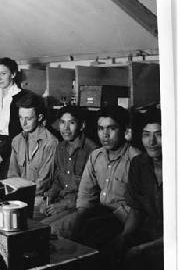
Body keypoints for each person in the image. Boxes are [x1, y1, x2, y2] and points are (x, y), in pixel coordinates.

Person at [51, 106, 142, 249]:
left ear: (124, 130)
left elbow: (138, 209)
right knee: (65, 232)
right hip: (98, 214)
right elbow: (85, 194)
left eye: (111, 129)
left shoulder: (135, 159)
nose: (105, 135)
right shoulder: (96, 156)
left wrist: (125, 236)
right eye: (101, 129)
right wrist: (79, 221)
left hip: (122, 219)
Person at [119, 108, 163, 270]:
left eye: (159, 134)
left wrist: (142, 249)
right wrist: (124, 237)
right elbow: (136, 209)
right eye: (146, 135)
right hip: (149, 232)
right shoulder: (139, 164)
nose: (151, 142)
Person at [40, 106, 97, 224]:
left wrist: (65, 205)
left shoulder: (92, 151)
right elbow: (57, 181)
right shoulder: (60, 147)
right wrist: (48, 198)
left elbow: (93, 192)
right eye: (62, 122)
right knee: (28, 218)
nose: (65, 128)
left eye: (71, 123)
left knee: (45, 228)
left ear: (82, 126)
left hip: (79, 207)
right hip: (59, 202)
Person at [0, 57, 35, 180]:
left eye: (3, 73)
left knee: (11, 183)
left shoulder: (24, 97)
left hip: (16, 147)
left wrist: (6, 154)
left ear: (13, 74)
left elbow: (22, 129)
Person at [7, 97, 58, 199]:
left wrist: (21, 195)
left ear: (39, 117)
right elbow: (12, 175)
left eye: (28, 119)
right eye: (21, 118)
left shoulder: (50, 142)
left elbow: (44, 182)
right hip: (18, 195)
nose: (23, 123)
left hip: (39, 197)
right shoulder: (17, 140)